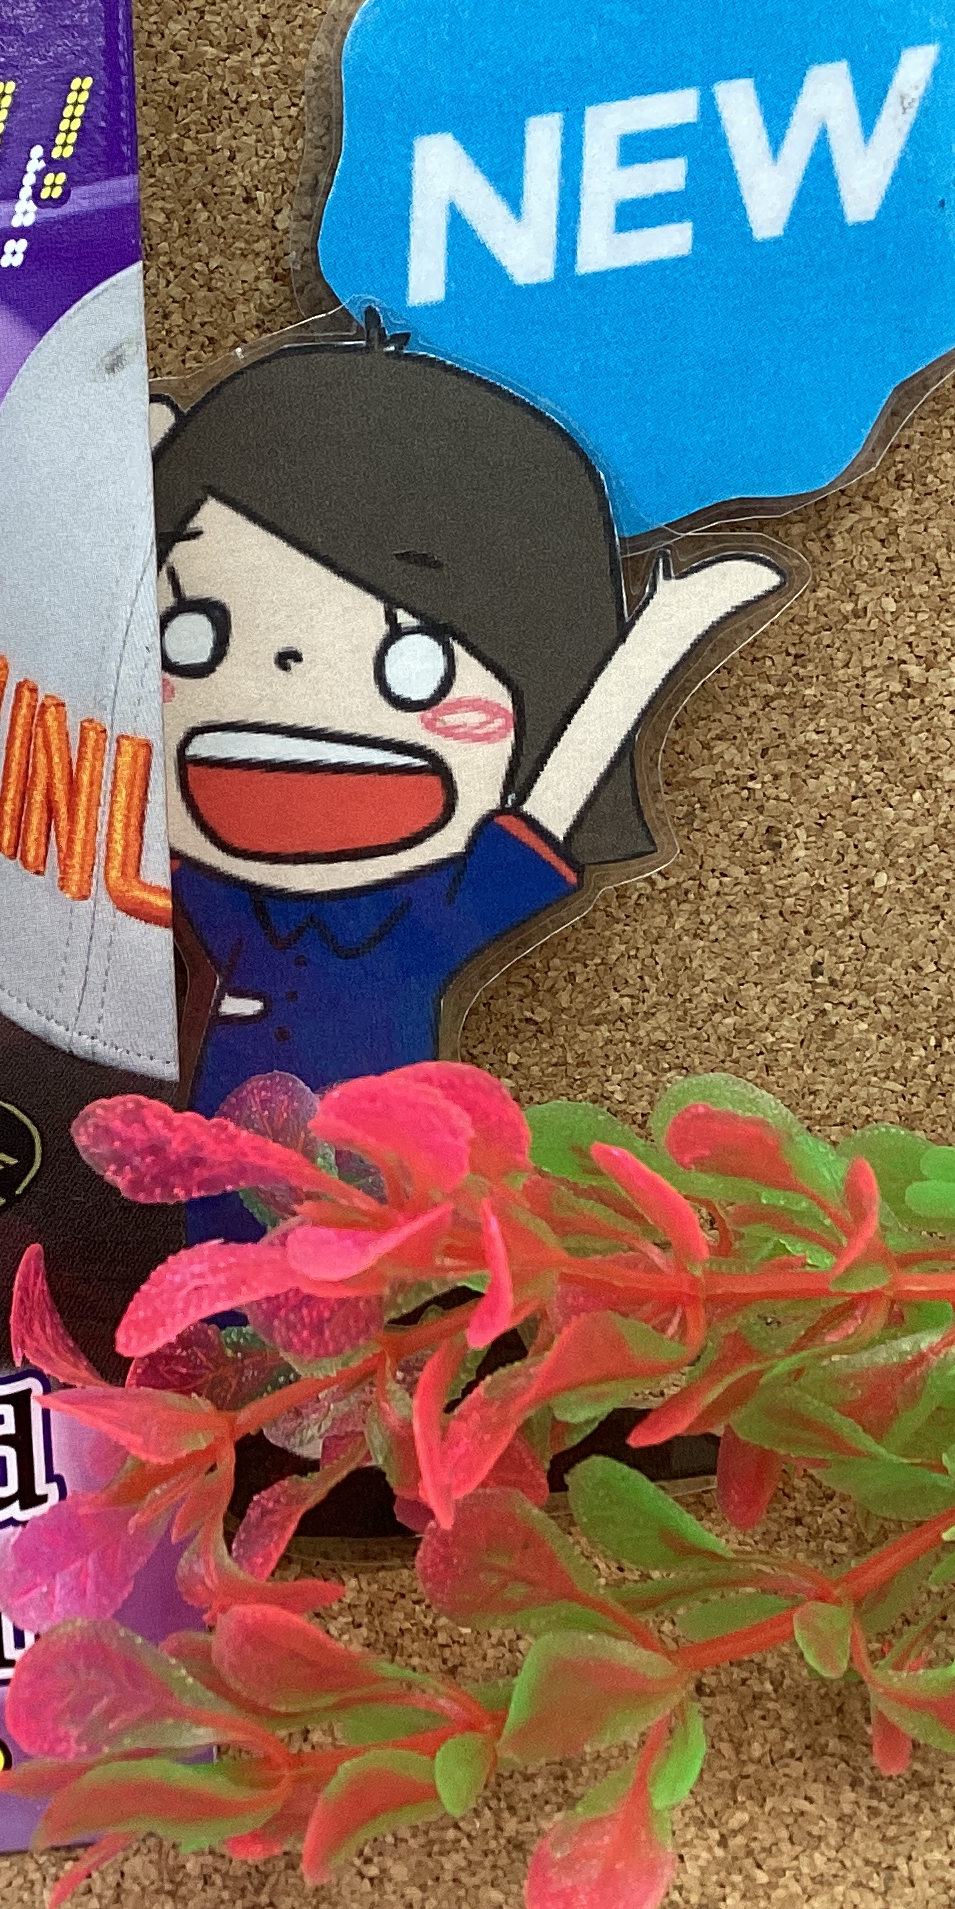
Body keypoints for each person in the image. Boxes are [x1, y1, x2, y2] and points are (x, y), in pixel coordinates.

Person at [154, 311, 792, 1241]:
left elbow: (554, 799)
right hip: (185, 1172)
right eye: (192, 632)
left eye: (411, 665)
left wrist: (658, 639)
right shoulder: (192, 889)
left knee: (339, 1278)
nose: (288, 672)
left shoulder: (426, 915)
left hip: (373, 1198)